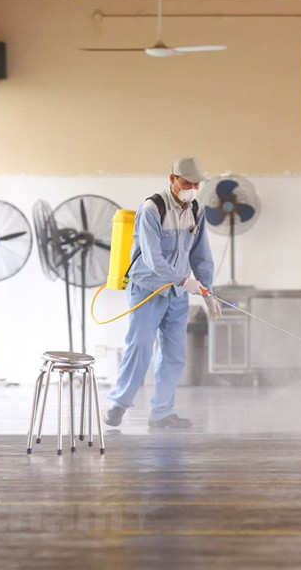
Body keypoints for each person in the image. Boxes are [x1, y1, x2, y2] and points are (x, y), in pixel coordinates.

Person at [103, 156, 221, 429]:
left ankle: (161, 413)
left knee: (175, 354)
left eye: (196, 183)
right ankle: (119, 403)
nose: (192, 187)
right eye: (187, 182)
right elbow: (155, 260)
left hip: (177, 297)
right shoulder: (152, 209)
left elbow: (201, 254)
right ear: (172, 179)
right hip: (148, 289)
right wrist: (184, 281)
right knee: (140, 348)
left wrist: (208, 292)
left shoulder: (197, 210)